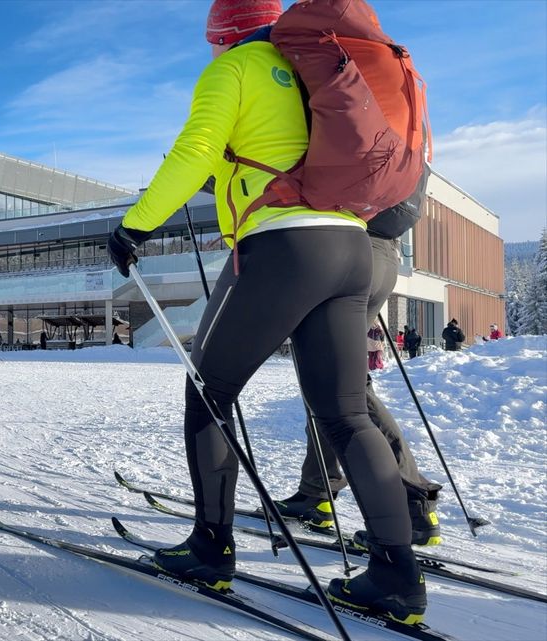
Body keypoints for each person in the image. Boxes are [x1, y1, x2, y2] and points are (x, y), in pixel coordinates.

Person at [105, 0, 425, 623]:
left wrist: (134, 226)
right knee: (345, 413)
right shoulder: (317, 73)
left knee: (209, 392)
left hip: (282, 247)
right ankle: (396, 574)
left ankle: (210, 548)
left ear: (220, 36)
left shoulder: (237, 68)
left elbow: (196, 149)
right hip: (351, 246)